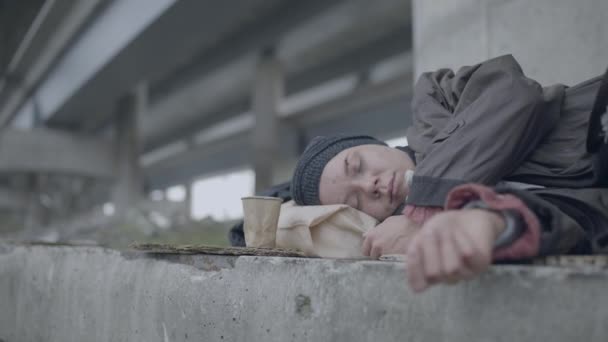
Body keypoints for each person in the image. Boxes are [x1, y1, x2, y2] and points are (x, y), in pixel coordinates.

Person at [290, 55, 608, 292]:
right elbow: (577, 222)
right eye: (355, 201)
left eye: (357, 165)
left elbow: (517, 96)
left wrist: (423, 210)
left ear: (376, 143)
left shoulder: (433, 102)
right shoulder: (435, 233)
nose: (369, 185)